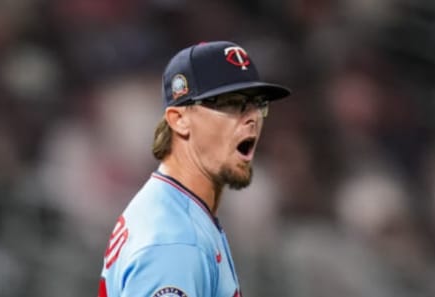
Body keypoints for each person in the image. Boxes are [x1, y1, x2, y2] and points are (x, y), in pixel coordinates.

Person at [97, 40, 291, 297]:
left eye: (258, 105)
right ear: (179, 120)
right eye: (232, 103)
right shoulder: (175, 242)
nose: (253, 117)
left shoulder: (175, 208)